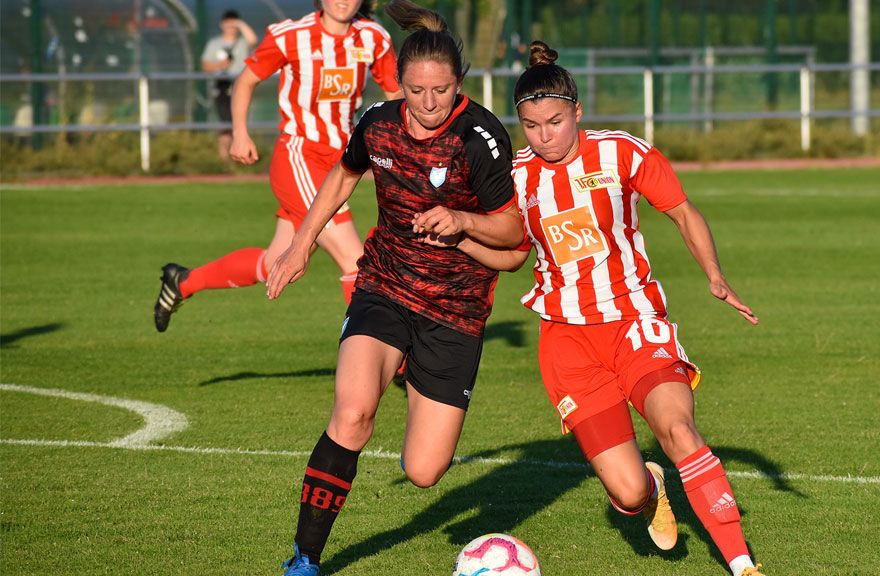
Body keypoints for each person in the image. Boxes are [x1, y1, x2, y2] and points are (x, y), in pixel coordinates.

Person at [448, 41, 766, 576]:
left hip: (635, 321)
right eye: (530, 125)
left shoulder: (622, 152)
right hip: (567, 343)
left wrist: (715, 277)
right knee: (628, 491)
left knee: (679, 432)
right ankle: (650, 491)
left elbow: (683, 213)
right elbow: (514, 257)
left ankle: (742, 565)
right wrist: (458, 235)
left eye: (554, 121)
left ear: (577, 111)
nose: (544, 135)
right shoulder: (516, 178)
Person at [264, 1, 522, 574]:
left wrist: (461, 221)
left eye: (442, 91)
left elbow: (513, 230)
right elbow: (343, 172)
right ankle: (305, 558)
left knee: (424, 472)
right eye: (416, 90)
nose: (429, 104)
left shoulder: (480, 137)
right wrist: (302, 242)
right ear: (399, 81)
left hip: (455, 310)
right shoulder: (378, 121)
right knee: (353, 413)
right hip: (384, 285)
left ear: (460, 84)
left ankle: (408, 366)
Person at [154, 0, 402, 333]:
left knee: (276, 263)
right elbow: (245, 81)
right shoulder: (291, 35)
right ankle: (395, 360)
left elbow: (395, 93)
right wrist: (240, 134)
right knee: (355, 261)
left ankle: (182, 282)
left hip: (338, 163)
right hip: (299, 155)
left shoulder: (372, 37)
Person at [201, 9, 258, 161]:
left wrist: (240, 24)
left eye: (234, 24)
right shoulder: (214, 43)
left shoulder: (242, 42)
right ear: (222, 25)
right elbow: (206, 66)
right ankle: (225, 158)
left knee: (240, 122)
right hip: (222, 85)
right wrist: (220, 65)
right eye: (228, 23)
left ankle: (241, 156)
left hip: (240, 86)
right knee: (225, 122)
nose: (231, 27)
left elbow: (253, 40)